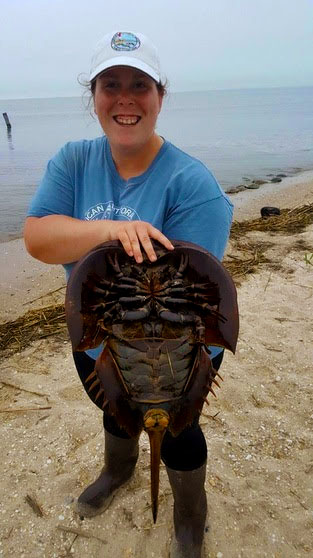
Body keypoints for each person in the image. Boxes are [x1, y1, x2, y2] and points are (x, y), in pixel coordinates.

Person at [24, 30, 233, 558]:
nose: (125, 98)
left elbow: (200, 304)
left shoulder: (192, 183)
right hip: (96, 336)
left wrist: (183, 368)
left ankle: (189, 512)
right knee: (114, 408)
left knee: (178, 431)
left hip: (177, 354)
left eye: (139, 85)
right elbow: (38, 238)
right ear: (92, 97)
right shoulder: (74, 161)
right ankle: (117, 472)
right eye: (110, 84)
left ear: (160, 96)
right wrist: (110, 231)